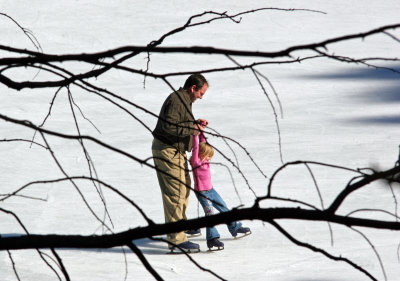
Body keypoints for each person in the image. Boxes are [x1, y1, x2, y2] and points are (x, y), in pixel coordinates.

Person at [152, 74, 208, 252]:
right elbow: (168, 127)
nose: (201, 97)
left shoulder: (184, 99)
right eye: (201, 93)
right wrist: (193, 128)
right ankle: (176, 239)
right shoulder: (177, 99)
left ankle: (181, 224)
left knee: (184, 186)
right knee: (175, 192)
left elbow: (178, 123)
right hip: (167, 151)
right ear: (193, 88)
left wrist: (194, 123)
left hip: (176, 151)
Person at [190, 131, 251, 251]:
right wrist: (195, 134)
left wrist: (201, 131)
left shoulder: (205, 162)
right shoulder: (196, 162)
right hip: (203, 193)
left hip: (211, 190)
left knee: (224, 207)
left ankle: (234, 227)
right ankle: (212, 239)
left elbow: (203, 143)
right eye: (208, 156)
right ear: (200, 154)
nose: (210, 159)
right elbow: (197, 146)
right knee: (210, 215)